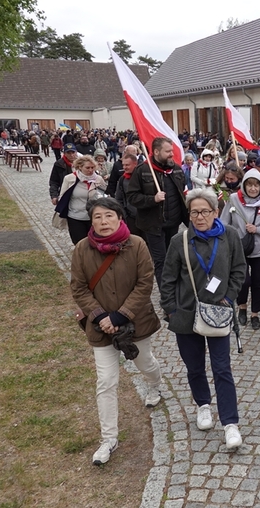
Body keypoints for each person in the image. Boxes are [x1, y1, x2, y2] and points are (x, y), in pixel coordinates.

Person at [70, 197, 162, 465]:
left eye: (108, 215)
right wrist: (100, 316)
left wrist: (121, 315)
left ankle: (155, 386)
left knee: (145, 363)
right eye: (97, 217)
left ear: (120, 217)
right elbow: (78, 287)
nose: (103, 222)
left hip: (136, 323)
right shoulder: (82, 249)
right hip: (101, 328)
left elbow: (145, 283)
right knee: (106, 382)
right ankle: (108, 438)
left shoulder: (137, 244)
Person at [159, 188, 246, 447]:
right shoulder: (180, 241)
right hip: (186, 315)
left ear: (215, 212)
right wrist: (171, 309)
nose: (199, 217)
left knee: (222, 369)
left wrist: (229, 297)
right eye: (194, 212)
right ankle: (203, 404)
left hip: (218, 313)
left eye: (204, 211)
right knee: (195, 367)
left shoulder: (229, 236)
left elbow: (239, 270)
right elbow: (168, 279)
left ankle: (230, 423)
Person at [125, 137, 188, 288]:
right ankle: (167, 298)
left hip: (173, 223)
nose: (171, 154)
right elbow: (132, 197)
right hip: (153, 225)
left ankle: (176, 289)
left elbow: (183, 193)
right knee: (161, 261)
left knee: (173, 259)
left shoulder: (177, 169)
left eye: (172, 150)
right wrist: (152, 199)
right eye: (168, 151)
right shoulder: (143, 170)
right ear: (156, 151)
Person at [221, 169, 260, 329]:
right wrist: (229, 240)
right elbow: (225, 222)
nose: (252, 189)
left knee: (258, 282)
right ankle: (242, 307)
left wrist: (257, 229)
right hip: (239, 248)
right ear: (244, 185)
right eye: (249, 185)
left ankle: (255, 313)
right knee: (243, 281)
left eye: (256, 185)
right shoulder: (234, 199)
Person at [58, 156, 107, 245]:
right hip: (75, 216)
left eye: (92, 167)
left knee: (95, 242)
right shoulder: (69, 178)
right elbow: (62, 197)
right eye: (87, 168)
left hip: (93, 216)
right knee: (80, 243)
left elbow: (105, 193)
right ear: (80, 167)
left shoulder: (98, 179)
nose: (90, 170)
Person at [114, 152, 142, 237]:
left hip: (146, 218)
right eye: (123, 165)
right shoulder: (122, 180)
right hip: (131, 218)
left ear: (135, 164)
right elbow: (119, 199)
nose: (124, 167)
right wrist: (124, 215)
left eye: (127, 165)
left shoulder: (144, 177)